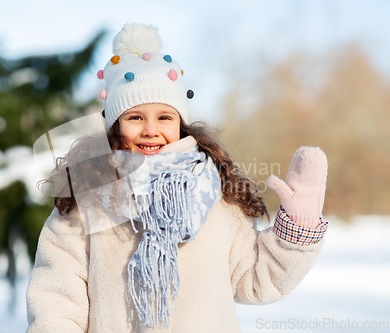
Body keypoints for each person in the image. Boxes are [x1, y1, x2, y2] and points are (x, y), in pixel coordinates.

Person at [26, 23, 328, 333]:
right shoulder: (88, 199)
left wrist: (296, 229)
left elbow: (253, 279)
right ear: (116, 125)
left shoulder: (216, 196)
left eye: (164, 117)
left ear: (181, 123)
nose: (150, 129)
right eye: (135, 117)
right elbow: (57, 297)